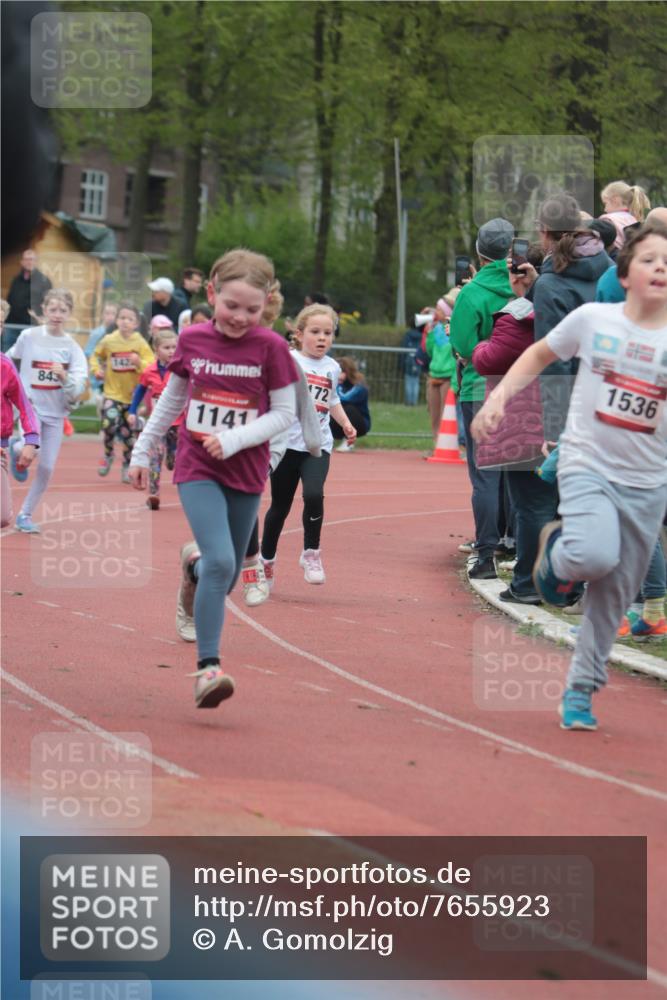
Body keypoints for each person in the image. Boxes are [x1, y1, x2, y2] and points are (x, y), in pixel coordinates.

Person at [472, 221, 667, 731]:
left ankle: (581, 687)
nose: (661, 267)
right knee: (593, 554)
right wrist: (498, 399)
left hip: (647, 484)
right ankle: (557, 561)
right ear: (624, 274)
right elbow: (539, 353)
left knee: (613, 598)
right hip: (586, 462)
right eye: (649, 259)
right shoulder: (594, 319)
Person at [129, 249, 300, 709]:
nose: (240, 317)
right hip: (198, 465)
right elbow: (172, 400)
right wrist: (142, 449)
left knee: (217, 574)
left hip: (244, 471)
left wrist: (239, 438)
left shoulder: (272, 349)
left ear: (267, 304)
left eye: (252, 309)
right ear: (211, 293)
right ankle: (208, 669)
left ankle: (193, 569)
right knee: (226, 563)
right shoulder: (194, 340)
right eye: (231, 306)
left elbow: (285, 413)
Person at [259, 304, 356, 591]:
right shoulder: (287, 361)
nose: (322, 338)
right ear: (299, 334)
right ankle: (266, 561)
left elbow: (333, 399)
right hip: (286, 444)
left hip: (318, 444)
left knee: (314, 495)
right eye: (315, 332)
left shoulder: (332, 367)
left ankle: (311, 554)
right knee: (280, 506)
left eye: (328, 333)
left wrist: (346, 424)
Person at [448, 217, 515, 579]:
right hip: (521, 387)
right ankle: (516, 546)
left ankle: (486, 552)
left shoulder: (472, 292)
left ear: (479, 251)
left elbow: (461, 343)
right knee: (518, 474)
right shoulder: (525, 286)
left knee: (486, 477)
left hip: (480, 387)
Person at [7, 288, 87, 533]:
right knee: (34, 447)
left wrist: (65, 377)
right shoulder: (29, 336)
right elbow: (10, 360)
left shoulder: (72, 347)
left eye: (63, 310)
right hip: (31, 407)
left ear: (70, 313)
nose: (57, 314)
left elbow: (79, 385)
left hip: (56, 413)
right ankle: (19, 448)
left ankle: (25, 514)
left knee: (47, 467)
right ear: (44, 309)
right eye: (53, 309)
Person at [90, 302, 154, 482]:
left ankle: (127, 465)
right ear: (117, 320)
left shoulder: (140, 343)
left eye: (130, 319)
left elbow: (151, 366)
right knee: (109, 424)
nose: (125, 322)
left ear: (136, 324)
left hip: (132, 398)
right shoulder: (109, 340)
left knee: (128, 434)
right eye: (122, 318)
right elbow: (95, 356)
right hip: (112, 394)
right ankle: (109, 454)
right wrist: (97, 370)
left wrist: (138, 362)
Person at [128, 327, 180, 510]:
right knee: (155, 458)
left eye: (175, 347)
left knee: (173, 459)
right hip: (158, 423)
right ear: (156, 350)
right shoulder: (149, 371)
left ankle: (172, 458)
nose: (172, 351)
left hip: (178, 423)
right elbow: (140, 391)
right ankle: (153, 494)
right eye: (167, 347)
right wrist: (132, 411)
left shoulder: (180, 370)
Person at [1, 352, 39, 527]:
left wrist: (31, 440)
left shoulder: (5, 365)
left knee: (2, 516)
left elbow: (24, 405)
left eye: (0, 324)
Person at [425, 294, 457, 449]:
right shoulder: (436, 328)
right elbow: (430, 351)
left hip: (448, 376)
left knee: (447, 413)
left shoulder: (454, 327)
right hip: (434, 374)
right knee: (434, 413)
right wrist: (429, 334)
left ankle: (448, 446)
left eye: (439, 309)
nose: (436, 311)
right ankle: (436, 443)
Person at [331, 356, 370, 452]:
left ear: (348, 372)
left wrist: (336, 385)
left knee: (347, 408)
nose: (338, 375)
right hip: (339, 424)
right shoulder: (334, 382)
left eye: (341, 372)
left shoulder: (359, 386)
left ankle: (348, 442)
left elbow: (344, 398)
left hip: (360, 424)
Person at [5, 249, 52, 327]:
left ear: (36, 262)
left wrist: (42, 319)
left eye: (31, 259)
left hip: (31, 324)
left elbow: (48, 303)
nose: (29, 262)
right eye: (26, 259)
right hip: (12, 323)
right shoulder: (16, 279)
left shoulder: (44, 281)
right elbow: (9, 299)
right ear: (22, 262)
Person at [599, 181, 651, 250]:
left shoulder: (607, 220)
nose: (605, 209)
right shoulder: (634, 220)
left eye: (606, 203)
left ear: (615, 200)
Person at [85, 302, 118, 399]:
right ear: (102, 315)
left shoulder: (119, 334)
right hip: (98, 378)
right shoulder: (96, 333)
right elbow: (89, 354)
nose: (110, 317)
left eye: (113, 314)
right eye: (107, 313)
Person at [400, 323, 422, 406]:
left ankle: (409, 402)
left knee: (409, 381)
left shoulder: (408, 335)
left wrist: (401, 363)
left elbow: (404, 348)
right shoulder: (421, 336)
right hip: (418, 359)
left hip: (408, 360)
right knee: (416, 381)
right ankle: (414, 402)